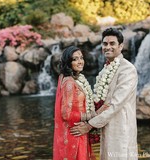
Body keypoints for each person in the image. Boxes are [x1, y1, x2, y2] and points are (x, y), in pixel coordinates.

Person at [70, 27, 138, 160]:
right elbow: (102, 103)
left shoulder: (127, 70)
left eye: (112, 43)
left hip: (121, 128)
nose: (108, 47)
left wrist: (89, 126)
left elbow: (115, 105)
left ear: (121, 46)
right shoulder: (106, 68)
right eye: (105, 44)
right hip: (106, 126)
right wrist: (86, 117)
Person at [53, 46, 96, 160]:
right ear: (68, 62)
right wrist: (90, 116)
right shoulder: (69, 83)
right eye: (75, 59)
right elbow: (65, 114)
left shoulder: (68, 77)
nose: (80, 61)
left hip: (76, 130)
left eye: (81, 58)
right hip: (75, 133)